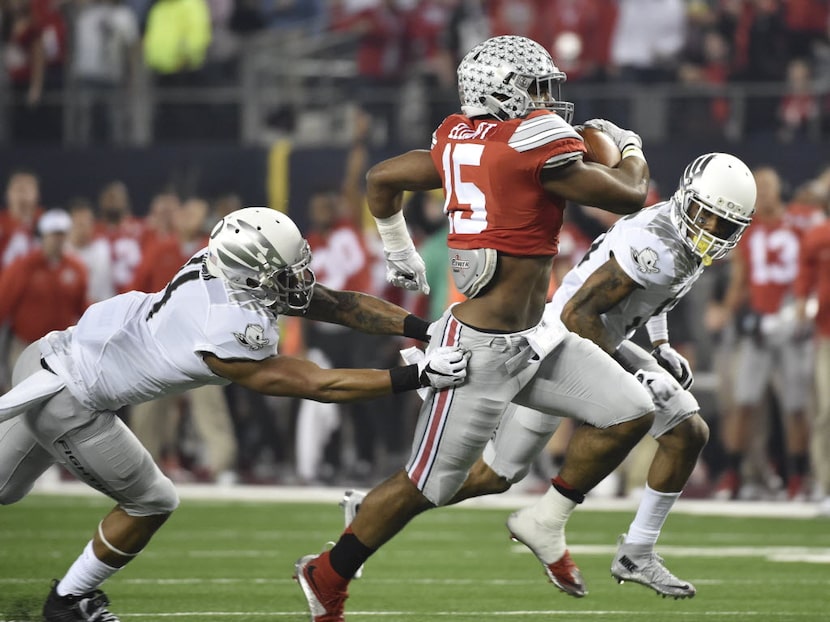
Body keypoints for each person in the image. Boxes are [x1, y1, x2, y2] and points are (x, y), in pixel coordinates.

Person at [294, 35, 656, 620]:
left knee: (629, 410)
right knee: (425, 486)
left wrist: (398, 248)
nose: (546, 100)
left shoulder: (461, 138)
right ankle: (327, 573)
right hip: (477, 351)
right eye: (535, 88)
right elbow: (632, 195)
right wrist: (631, 146)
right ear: (502, 91)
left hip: (536, 339)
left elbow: (383, 178)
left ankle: (546, 518)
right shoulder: (530, 147)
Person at [0, 207, 469, 622]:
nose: (300, 278)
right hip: (71, 397)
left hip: (45, 358)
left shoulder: (225, 269)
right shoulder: (224, 327)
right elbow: (315, 383)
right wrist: (417, 377)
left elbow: (339, 304)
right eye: (286, 271)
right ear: (251, 274)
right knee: (153, 500)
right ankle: (68, 599)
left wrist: (427, 331)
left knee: (4, 489)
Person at [448, 152, 757, 599]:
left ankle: (636, 550)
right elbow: (578, 315)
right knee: (496, 474)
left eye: (722, 225)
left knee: (688, 430)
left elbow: (648, 299)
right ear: (688, 199)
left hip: (601, 336)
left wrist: (662, 346)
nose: (709, 230)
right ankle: (380, 506)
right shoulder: (658, 244)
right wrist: (635, 372)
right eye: (705, 216)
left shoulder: (679, 240)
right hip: (558, 343)